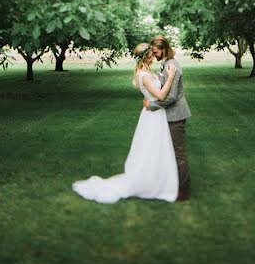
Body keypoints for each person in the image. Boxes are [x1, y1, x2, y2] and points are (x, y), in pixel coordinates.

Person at [72, 43, 179, 204]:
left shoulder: (147, 72)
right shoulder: (143, 75)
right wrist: (171, 76)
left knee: (157, 147)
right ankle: (148, 183)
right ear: (144, 58)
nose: (153, 59)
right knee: (151, 147)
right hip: (153, 116)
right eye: (150, 56)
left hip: (155, 113)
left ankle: (157, 178)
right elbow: (161, 96)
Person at [142, 35, 192, 202]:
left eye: (156, 52)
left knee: (178, 154)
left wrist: (152, 105)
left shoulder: (173, 66)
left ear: (163, 49)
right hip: (168, 116)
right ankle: (170, 184)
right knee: (169, 152)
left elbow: (171, 98)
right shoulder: (165, 65)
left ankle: (183, 191)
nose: (154, 55)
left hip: (176, 116)